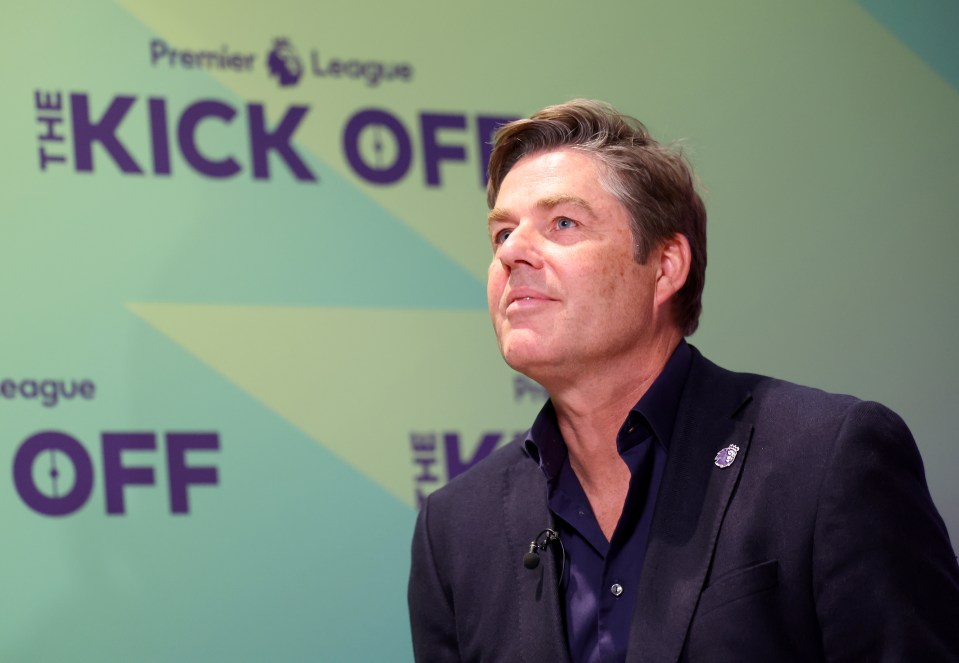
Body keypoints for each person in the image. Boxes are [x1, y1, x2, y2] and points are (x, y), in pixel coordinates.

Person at [407, 99, 959, 662]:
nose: (513, 253)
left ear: (667, 265)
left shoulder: (825, 458)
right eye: (501, 233)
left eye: (563, 223)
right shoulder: (455, 530)